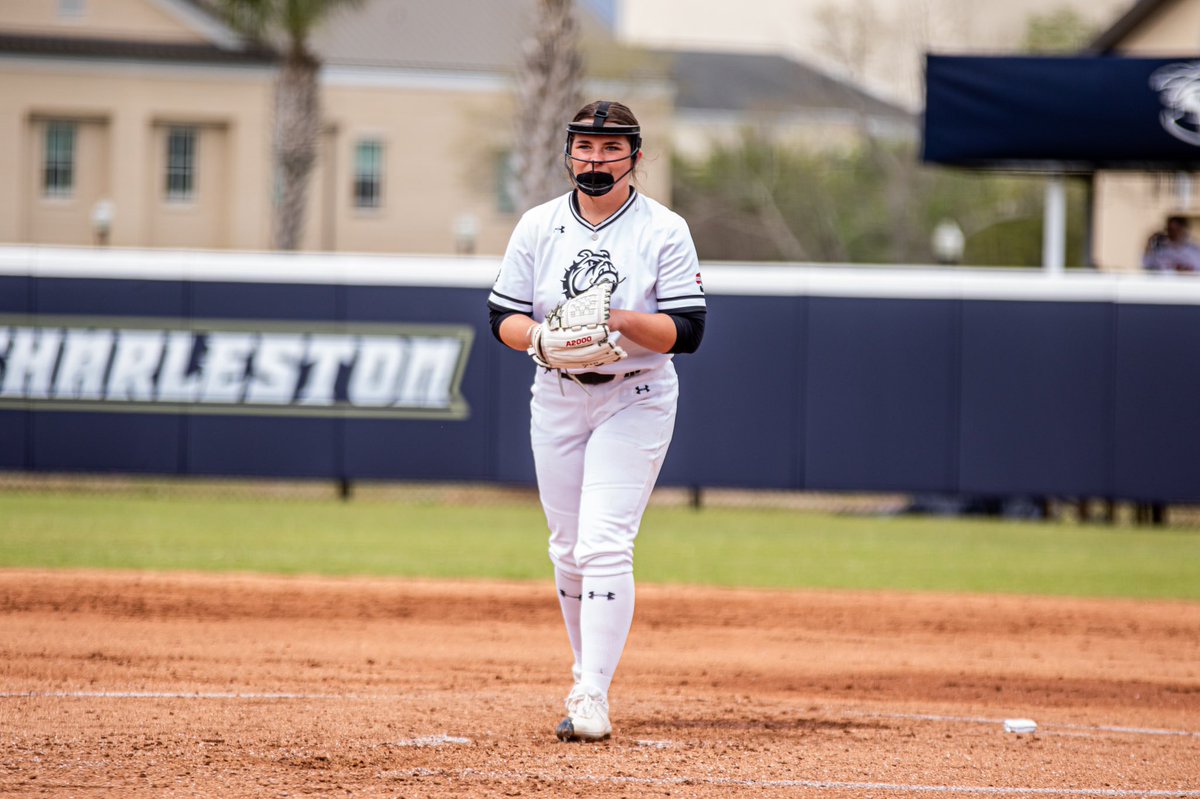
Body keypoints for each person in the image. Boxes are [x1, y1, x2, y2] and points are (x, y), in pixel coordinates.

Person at [487, 100, 706, 742]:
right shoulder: (538, 225)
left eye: (611, 149)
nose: (595, 159)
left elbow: (687, 331)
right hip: (555, 390)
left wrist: (614, 319)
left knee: (604, 540)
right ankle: (586, 670)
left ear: (636, 157)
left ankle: (592, 695)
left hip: (634, 392)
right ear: (567, 154)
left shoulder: (663, 229)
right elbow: (501, 313)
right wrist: (540, 340)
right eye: (584, 147)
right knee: (566, 547)